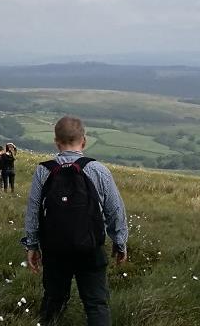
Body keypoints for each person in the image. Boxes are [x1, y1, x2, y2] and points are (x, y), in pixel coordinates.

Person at [22, 116, 128, 326]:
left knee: (54, 300)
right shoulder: (98, 170)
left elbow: (34, 211)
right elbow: (115, 210)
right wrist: (120, 242)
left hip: (55, 248)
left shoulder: (44, 171)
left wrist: (32, 245)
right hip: (90, 248)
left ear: (56, 141)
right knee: (96, 303)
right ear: (84, 141)